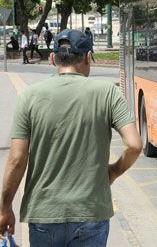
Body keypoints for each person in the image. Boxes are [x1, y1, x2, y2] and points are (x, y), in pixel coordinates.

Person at [0, 29, 142, 246]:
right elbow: (134, 145)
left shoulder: (29, 96)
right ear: (87, 57)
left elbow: (17, 160)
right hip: (91, 212)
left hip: (44, 214)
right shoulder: (108, 92)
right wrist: (113, 171)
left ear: (52, 58)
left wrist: (5, 207)